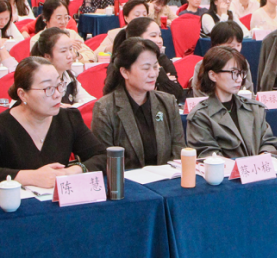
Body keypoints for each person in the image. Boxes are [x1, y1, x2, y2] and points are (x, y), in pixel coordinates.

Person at [0, 57, 103, 189]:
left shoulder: (68, 119)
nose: (57, 94)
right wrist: (32, 177)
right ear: (23, 94)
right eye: (48, 88)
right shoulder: (0, 125)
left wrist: (70, 172)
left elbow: (102, 157)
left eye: (59, 85)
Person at [91, 37, 187, 171]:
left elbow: (178, 149)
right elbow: (104, 160)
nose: (153, 74)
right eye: (146, 68)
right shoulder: (105, 108)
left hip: (166, 179)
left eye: (156, 67)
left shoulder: (167, 101)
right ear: (125, 72)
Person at [187, 46, 277, 158]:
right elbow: (209, 156)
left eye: (241, 73)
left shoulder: (254, 108)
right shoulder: (200, 116)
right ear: (213, 75)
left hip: (257, 167)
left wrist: (264, 156)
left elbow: (269, 142)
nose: (239, 79)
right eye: (233, 73)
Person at [107, 17, 184, 101]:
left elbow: (178, 94)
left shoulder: (162, 59)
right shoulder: (122, 61)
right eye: (153, 36)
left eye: (160, 36)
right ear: (137, 38)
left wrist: (160, 73)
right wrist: (164, 79)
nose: (159, 40)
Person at [33, 27, 94, 106]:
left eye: (71, 49)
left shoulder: (68, 76)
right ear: (47, 56)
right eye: (63, 51)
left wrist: (72, 108)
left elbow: (89, 101)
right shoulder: (39, 83)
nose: (70, 55)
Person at [191, 21, 254, 95]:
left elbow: (249, 91)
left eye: (238, 45)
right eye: (230, 46)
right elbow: (199, 93)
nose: (236, 50)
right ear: (216, 45)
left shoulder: (243, 63)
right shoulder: (202, 65)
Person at [30, 0, 95, 62]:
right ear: (46, 19)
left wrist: (77, 55)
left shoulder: (72, 34)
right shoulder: (37, 39)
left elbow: (92, 56)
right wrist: (66, 46)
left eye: (66, 17)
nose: (63, 22)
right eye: (59, 18)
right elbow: (40, 63)